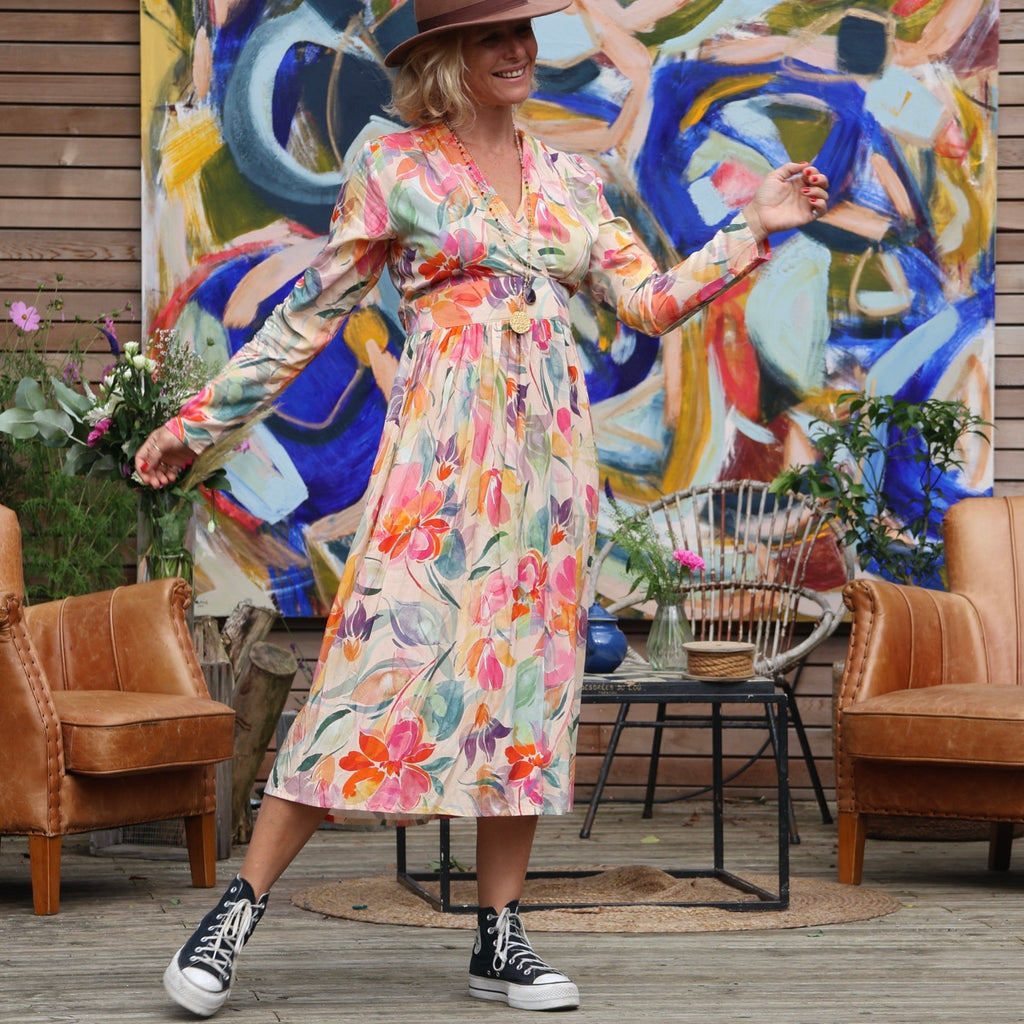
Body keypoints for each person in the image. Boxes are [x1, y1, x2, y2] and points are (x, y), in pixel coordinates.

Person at [137, 0, 829, 1016]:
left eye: (523, 34)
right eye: (493, 37)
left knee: (526, 697)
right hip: (437, 467)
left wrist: (752, 227)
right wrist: (196, 425)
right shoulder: (395, 168)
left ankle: (499, 937)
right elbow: (305, 320)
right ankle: (236, 912)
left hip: (547, 480)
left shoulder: (573, 180)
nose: (518, 50)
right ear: (446, 60)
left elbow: (648, 303)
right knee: (366, 677)